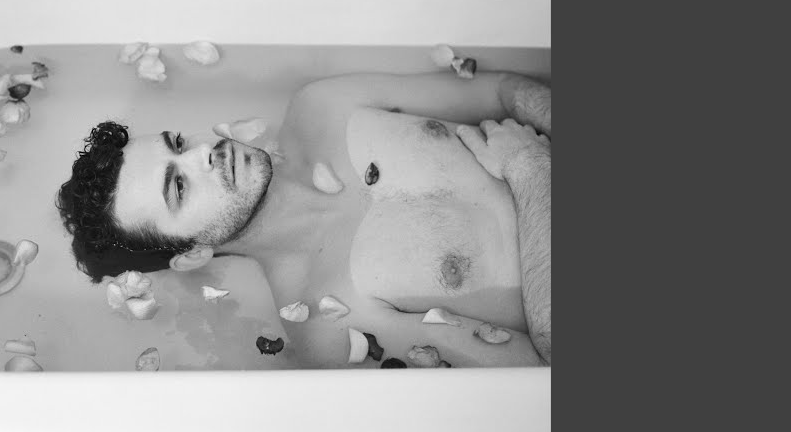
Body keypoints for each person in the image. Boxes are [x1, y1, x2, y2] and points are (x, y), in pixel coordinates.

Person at [56, 71, 551, 368]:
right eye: (179, 187)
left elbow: (504, 91)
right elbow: (541, 374)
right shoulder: (333, 330)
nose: (203, 153)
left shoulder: (322, 106)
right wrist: (531, 169)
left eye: (179, 144)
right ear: (193, 255)